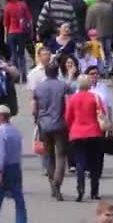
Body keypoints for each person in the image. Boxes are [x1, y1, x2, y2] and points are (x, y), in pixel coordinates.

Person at [65, 75, 105, 202]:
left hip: (77, 133)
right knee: (95, 163)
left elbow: (68, 118)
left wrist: (71, 129)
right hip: (93, 132)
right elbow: (102, 113)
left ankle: (80, 188)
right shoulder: (95, 97)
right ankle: (94, 191)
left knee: (80, 163)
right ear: (89, 84)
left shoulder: (72, 99)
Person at [33, 62, 70, 201]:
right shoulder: (63, 86)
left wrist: (37, 118)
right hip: (60, 123)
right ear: (57, 72)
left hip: (44, 124)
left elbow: (34, 107)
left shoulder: (39, 87)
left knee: (48, 156)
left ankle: (52, 186)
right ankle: (57, 182)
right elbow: (67, 104)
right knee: (61, 155)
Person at [0, 104, 26, 223]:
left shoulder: (0, 132)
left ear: (1, 116)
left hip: (5, 168)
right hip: (15, 167)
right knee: (19, 199)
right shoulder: (15, 131)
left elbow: (1, 155)